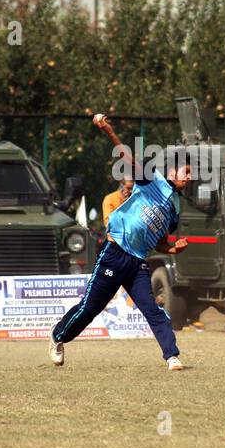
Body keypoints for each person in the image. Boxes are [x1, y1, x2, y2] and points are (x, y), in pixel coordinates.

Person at [50, 113, 190, 370]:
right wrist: (109, 131)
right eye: (187, 172)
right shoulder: (153, 181)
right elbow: (129, 158)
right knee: (90, 307)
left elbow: (158, 241)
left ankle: (172, 356)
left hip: (137, 263)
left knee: (153, 310)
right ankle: (58, 336)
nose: (189, 177)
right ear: (172, 171)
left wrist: (172, 249)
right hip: (115, 252)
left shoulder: (176, 207)